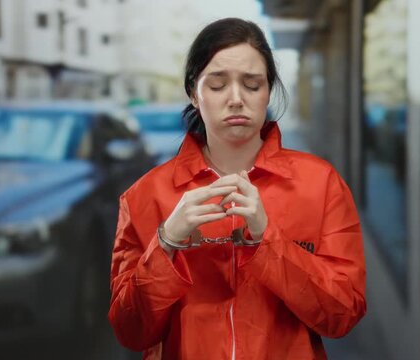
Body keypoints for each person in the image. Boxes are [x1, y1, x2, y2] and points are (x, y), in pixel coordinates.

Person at [108, 17, 366, 359]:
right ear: (194, 93)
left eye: (252, 84)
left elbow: (343, 314)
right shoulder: (145, 195)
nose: (235, 99)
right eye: (217, 85)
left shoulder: (320, 184)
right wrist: (166, 242)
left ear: (269, 91)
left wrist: (268, 238)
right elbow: (131, 330)